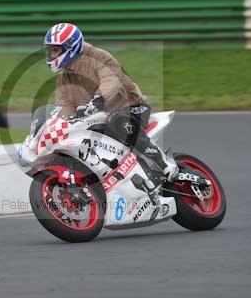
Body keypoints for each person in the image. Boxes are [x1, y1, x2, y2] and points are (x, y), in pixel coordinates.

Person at [44, 22, 179, 183]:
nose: (52, 55)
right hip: (99, 117)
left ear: (70, 47)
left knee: (119, 121)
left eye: (55, 50)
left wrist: (99, 99)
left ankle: (164, 163)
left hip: (131, 106)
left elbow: (111, 79)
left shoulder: (98, 57)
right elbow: (64, 107)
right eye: (50, 50)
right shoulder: (63, 79)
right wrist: (60, 125)